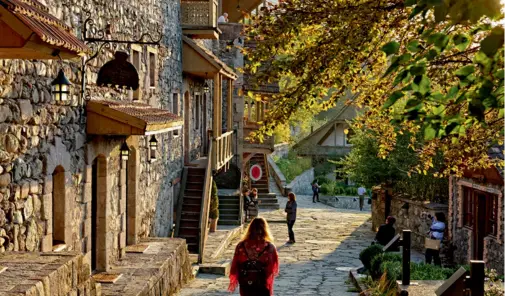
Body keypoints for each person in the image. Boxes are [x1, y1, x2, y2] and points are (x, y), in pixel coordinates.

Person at [229, 217, 279, 296]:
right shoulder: (269, 247)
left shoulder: (241, 246)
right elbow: (272, 269)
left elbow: (235, 265)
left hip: (246, 283)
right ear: (265, 230)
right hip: (262, 284)